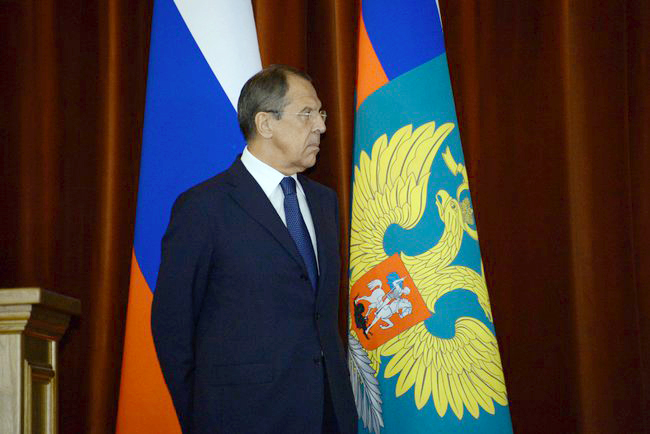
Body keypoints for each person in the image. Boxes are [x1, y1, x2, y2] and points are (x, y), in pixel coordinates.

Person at [151, 65, 357, 434]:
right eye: (307, 113)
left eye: (321, 113)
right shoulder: (204, 208)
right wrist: (201, 418)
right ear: (265, 123)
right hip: (242, 418)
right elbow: (172, 326)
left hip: (328, 414)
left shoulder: (324, 202)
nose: (321, 126)